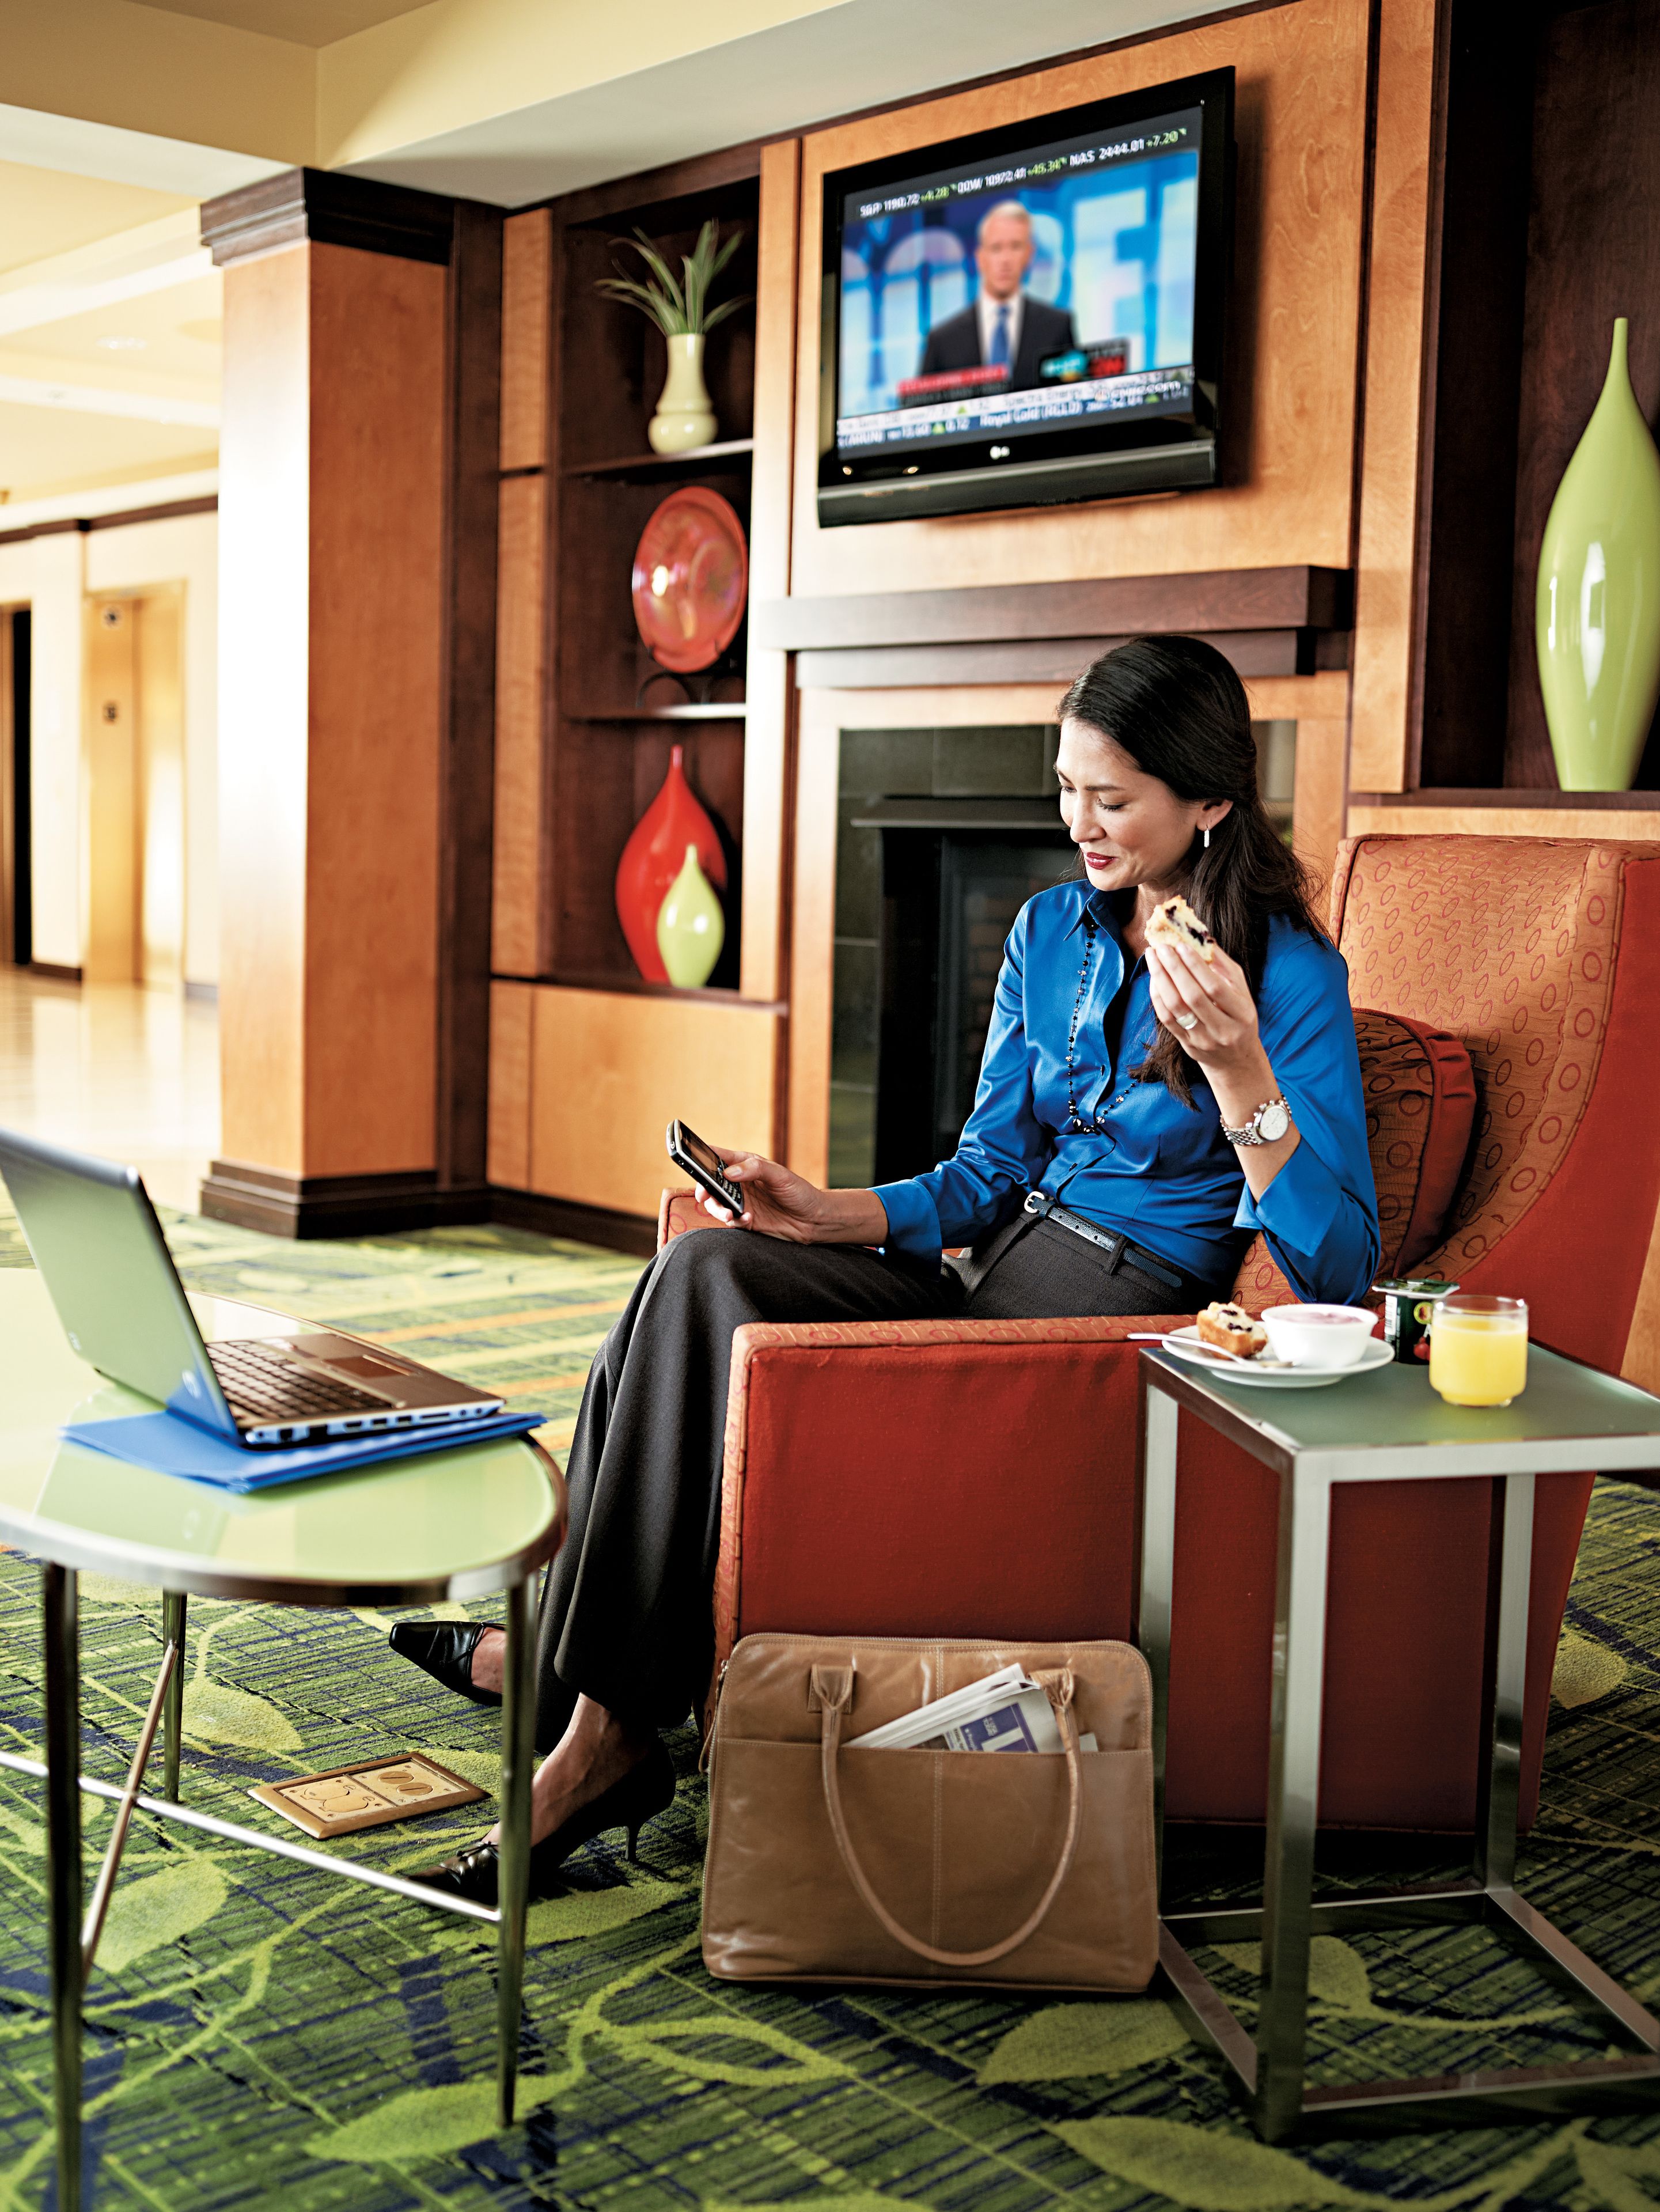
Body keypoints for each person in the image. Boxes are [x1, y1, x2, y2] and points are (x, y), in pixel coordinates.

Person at [394, 635, 1379, 1904]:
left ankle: (585, 1732)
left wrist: (1239, 1067)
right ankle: (592, 1710)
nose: (1076, 824)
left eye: (1111, 799)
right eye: (1065, 788)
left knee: (700, 1291)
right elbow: (986, 1172)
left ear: (1209, 803)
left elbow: (1335, 1258)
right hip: (991, 1271)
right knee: (705, 1270)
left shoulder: (1287, 974)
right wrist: (824, 1214)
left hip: (1106, 1320)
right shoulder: (1047, 929)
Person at [917, 200, 1076, 393]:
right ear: (980, 258)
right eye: (996, 248)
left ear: (1029, 254)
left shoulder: (1057, 327)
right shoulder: (942, 341)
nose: (1005, 260)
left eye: (1015, 247)